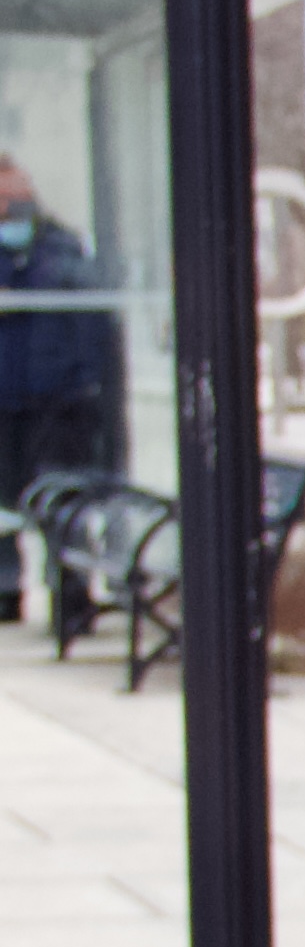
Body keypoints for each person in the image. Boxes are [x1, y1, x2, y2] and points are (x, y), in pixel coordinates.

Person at [0, 152, 124, 630]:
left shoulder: (59, 249)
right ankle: (7, 596)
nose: (16, 210)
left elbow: (86, 307)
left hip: (56, 403)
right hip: (8, 403)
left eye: (21, 197)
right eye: (6, 201)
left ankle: (72, 603)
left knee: (62, 508)